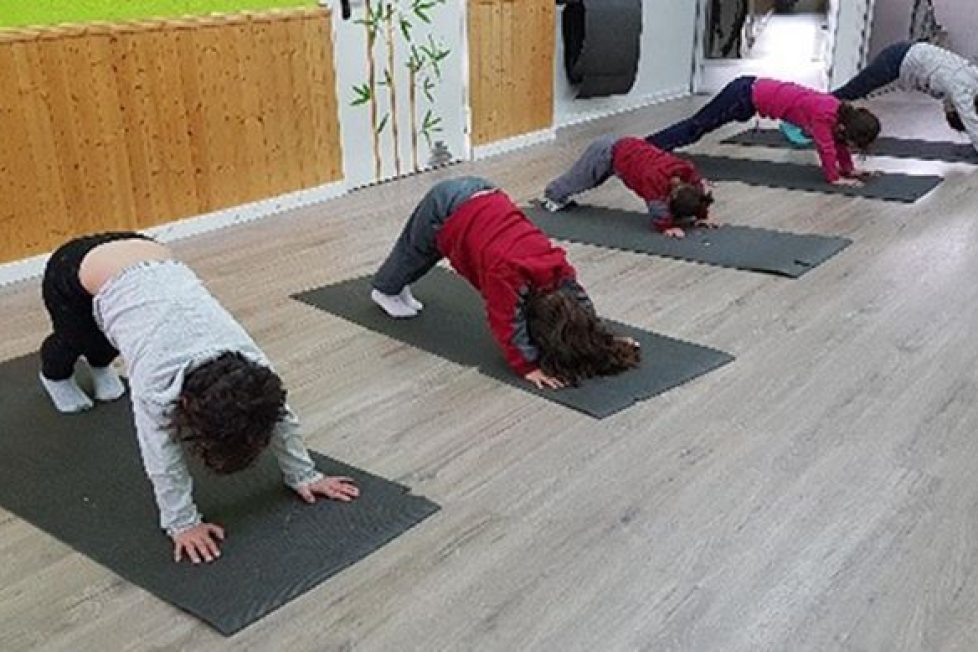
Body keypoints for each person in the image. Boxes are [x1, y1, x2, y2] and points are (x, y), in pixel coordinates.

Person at [39, 232, 359, 564]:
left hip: (143, 256)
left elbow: (281, 417)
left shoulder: (256, 368)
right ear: (186, 405)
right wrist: (182, 524)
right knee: (78, 339)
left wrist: (304, 475)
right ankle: (55, 376)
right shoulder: (156, 385)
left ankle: (101, 366)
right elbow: (160, 456)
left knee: (110, 341)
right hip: (74, 267)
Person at [370, 177, 641, 389]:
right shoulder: (508, 278)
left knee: (423, 251)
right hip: (446, 203)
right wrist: (527, 367)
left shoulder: (557, 266)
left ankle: (394, 288)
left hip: (484, 192)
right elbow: (507, 324)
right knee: (417, 252)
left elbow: (580, 302)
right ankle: (385, 291)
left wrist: (601, 337)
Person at [647, 76, 881, 186]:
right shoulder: (824, 114)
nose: (850, 148)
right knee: (695, 128)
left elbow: (838, 143)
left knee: (697, 128)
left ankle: (648, 146)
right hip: (743, 95)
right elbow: (827, 148)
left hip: (749, 95)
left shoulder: (839, 115)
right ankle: (645, 148)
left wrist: (849, 170)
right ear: (845, 128)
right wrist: (834, 178)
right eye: (854, 144)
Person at [783, 41, 978, 151]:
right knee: (848, 94)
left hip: (904, 56)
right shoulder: (962, 90)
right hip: (896, 61)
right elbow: (971, 121)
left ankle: (803, 116)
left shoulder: (971, 79)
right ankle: (793, 120)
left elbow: (960, 109)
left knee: (849, 94)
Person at [541, 135, 716, 239]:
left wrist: (703, 215)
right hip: (606, 152)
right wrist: (667, 227)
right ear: (669, 198)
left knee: (589, 181)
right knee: (581, 180)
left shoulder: (687, 171)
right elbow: (658, 210)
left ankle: (555, 195)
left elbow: (700, 194)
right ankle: (552, 196)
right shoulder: (654, 180)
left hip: (626, 149)